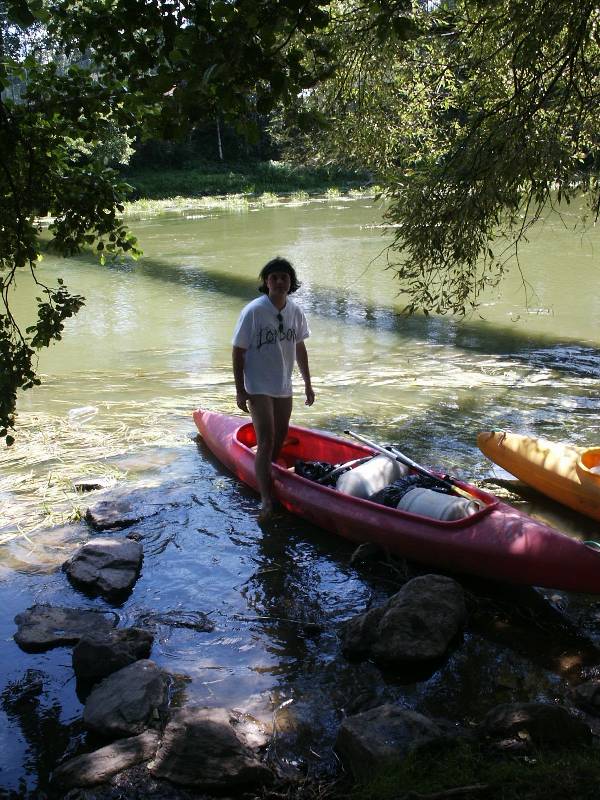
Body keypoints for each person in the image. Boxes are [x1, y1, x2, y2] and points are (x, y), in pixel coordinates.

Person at [232, 257, 315, 520]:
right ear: (266, 282)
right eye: (274, 277)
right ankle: (266, 501)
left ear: (291, 283)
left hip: (283, 384)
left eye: (284, 277)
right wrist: (240, 390)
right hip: (258, 385)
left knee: (280, 436)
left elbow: (300, 348)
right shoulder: (254, 311)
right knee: (266, 439)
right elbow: (238, 351)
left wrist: (308, 384)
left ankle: (265, 470)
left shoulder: (296, 312)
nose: (279, 281)